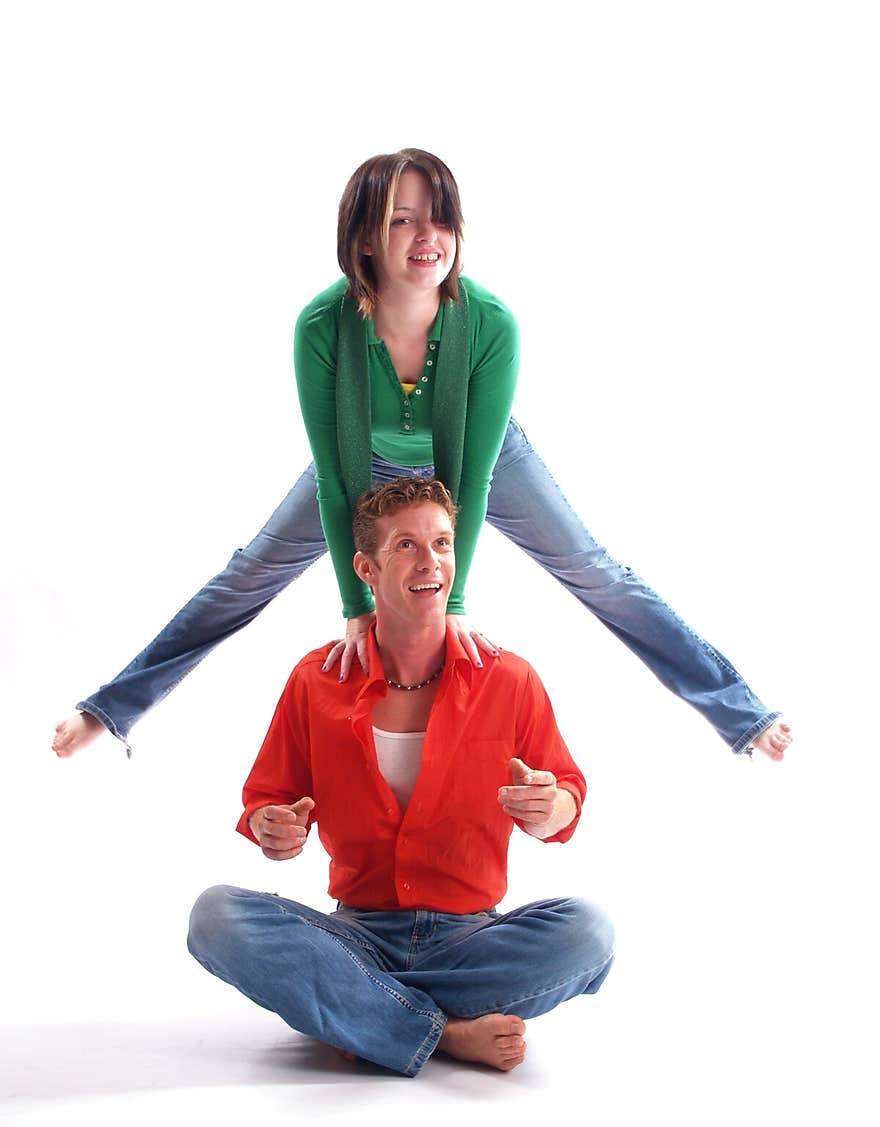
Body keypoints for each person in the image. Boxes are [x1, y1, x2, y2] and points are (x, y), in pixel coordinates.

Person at [52, 148, 792, 762]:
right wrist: (355, 605)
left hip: (480, 455)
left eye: (438, 217)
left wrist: (455, 594)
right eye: (401, 219)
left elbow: (464, 473)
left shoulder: (491, 324)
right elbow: (339, 475)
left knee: (594, 569)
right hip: (361, 460)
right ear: (365, 239)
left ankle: (741, 713)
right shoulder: (322, 326)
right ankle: (111, 709)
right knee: (248, 573)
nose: (425, 235)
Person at [187, 478, 614, 1075]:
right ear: (366, 566)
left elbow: (566, 790)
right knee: (216, 917)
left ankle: (357, 1010)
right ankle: (441, 1034)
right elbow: (269, 799)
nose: (431, 559)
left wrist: (553, 808)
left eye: (442, 542)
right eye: (407, 546)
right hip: (356, 933)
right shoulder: (316, 681)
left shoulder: (508, 678)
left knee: (588, 933)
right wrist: (269, 827)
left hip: (472, 940)